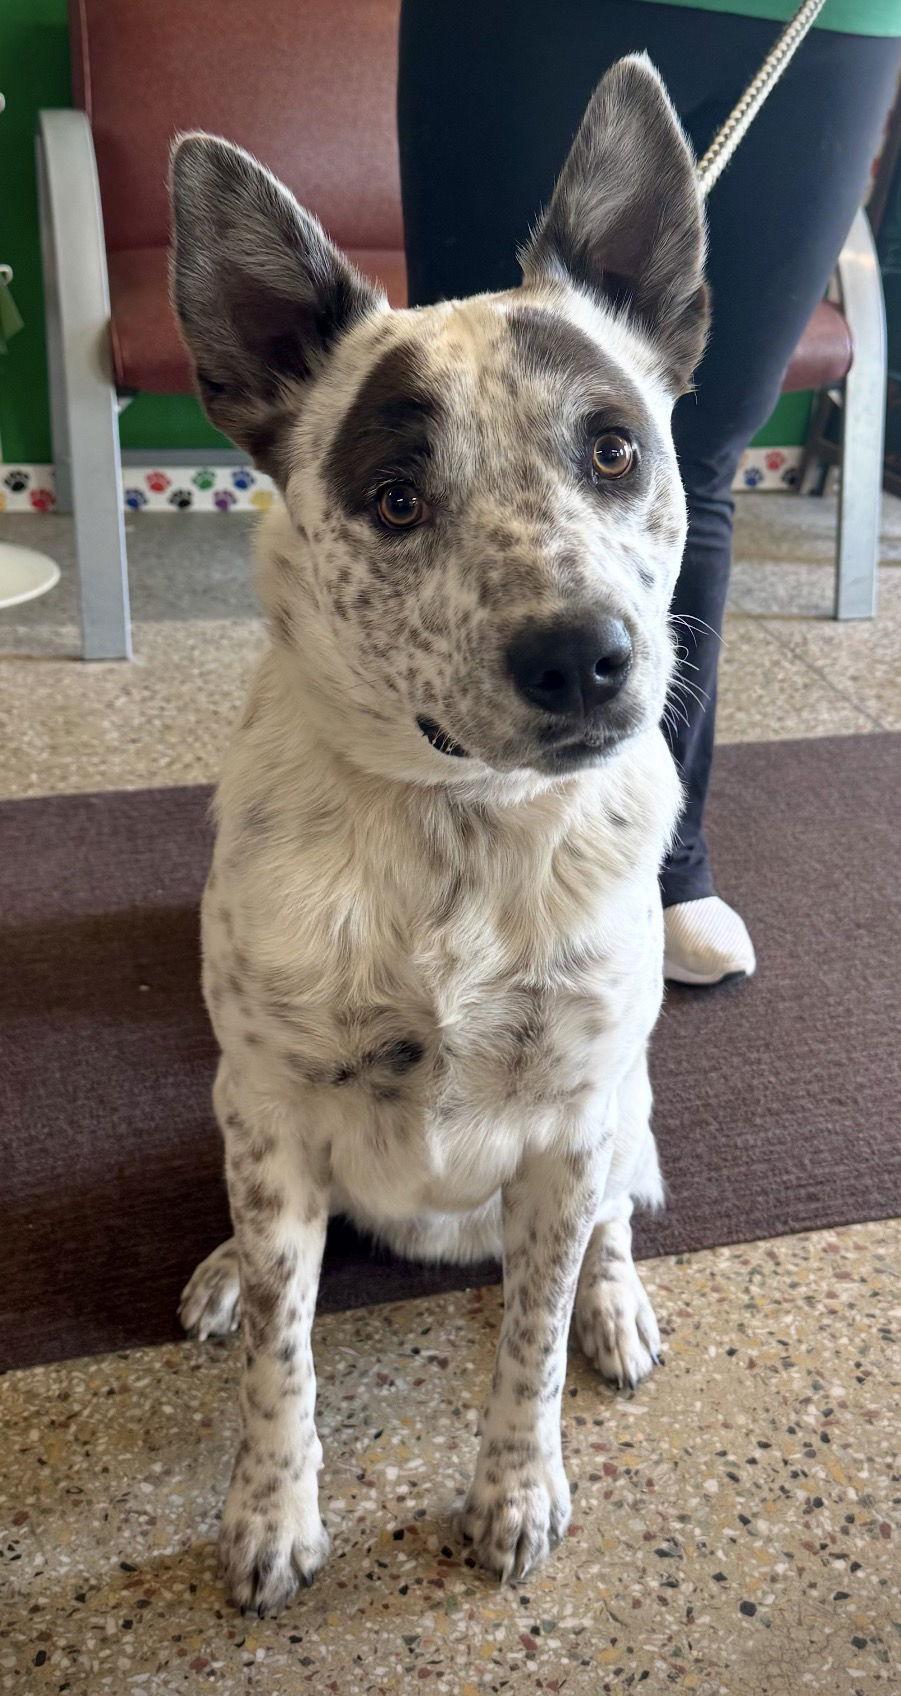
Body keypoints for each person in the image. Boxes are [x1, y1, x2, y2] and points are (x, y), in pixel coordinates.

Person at [397, 0, 901, 984]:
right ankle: (437, 870)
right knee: (465, 430)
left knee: (695, 453)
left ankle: (661, 863)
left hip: (827, 18)